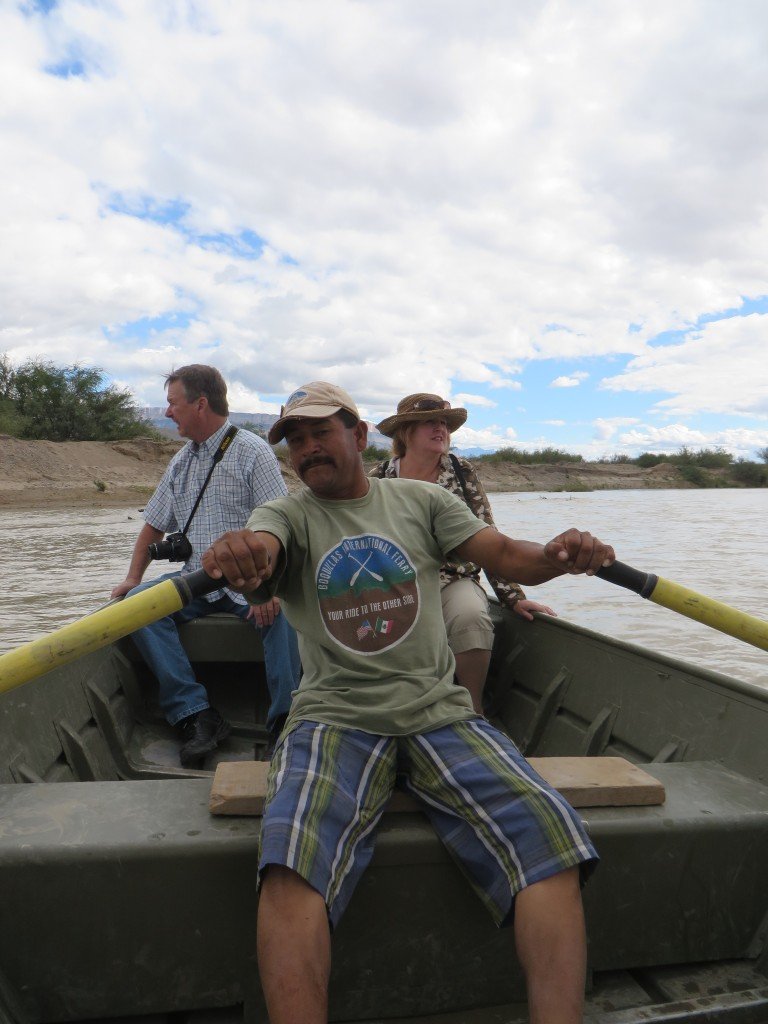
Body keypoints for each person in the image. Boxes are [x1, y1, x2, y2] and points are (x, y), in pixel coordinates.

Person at [201, 381, 616, 1024]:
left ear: (360, 437)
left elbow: (507, 556)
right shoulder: (288, 514)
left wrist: (560, 556)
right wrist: (246, 556)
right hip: (334, 718)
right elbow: (263, 550)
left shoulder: (421, 500)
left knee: (551, 835)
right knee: (290, 860)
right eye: (297, 440)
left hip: (439, 712)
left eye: (322, 433)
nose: (309, 449)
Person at [111, 364, 300, 767]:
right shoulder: (181, 461)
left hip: (250, 583)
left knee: (286, 619)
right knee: (138, 609)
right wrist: (132, 579)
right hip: (196, 582)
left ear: (200, 404)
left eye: (172, 404)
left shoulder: (253, 451)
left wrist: (272, 587)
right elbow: (154, 526)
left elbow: (283, 523)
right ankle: (195, 714)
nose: (167, 413)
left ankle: (285, 723)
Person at [372, 392, 555, 712]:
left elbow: (490, 536)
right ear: (406, 432)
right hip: (395, 583)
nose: (440, 429)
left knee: (471, 615)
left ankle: (473, 709)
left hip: (454, 579)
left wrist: (512, 596)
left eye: (444, 423)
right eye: (430, 423)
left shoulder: (460, 471)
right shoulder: (379, 478)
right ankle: (394, 706)